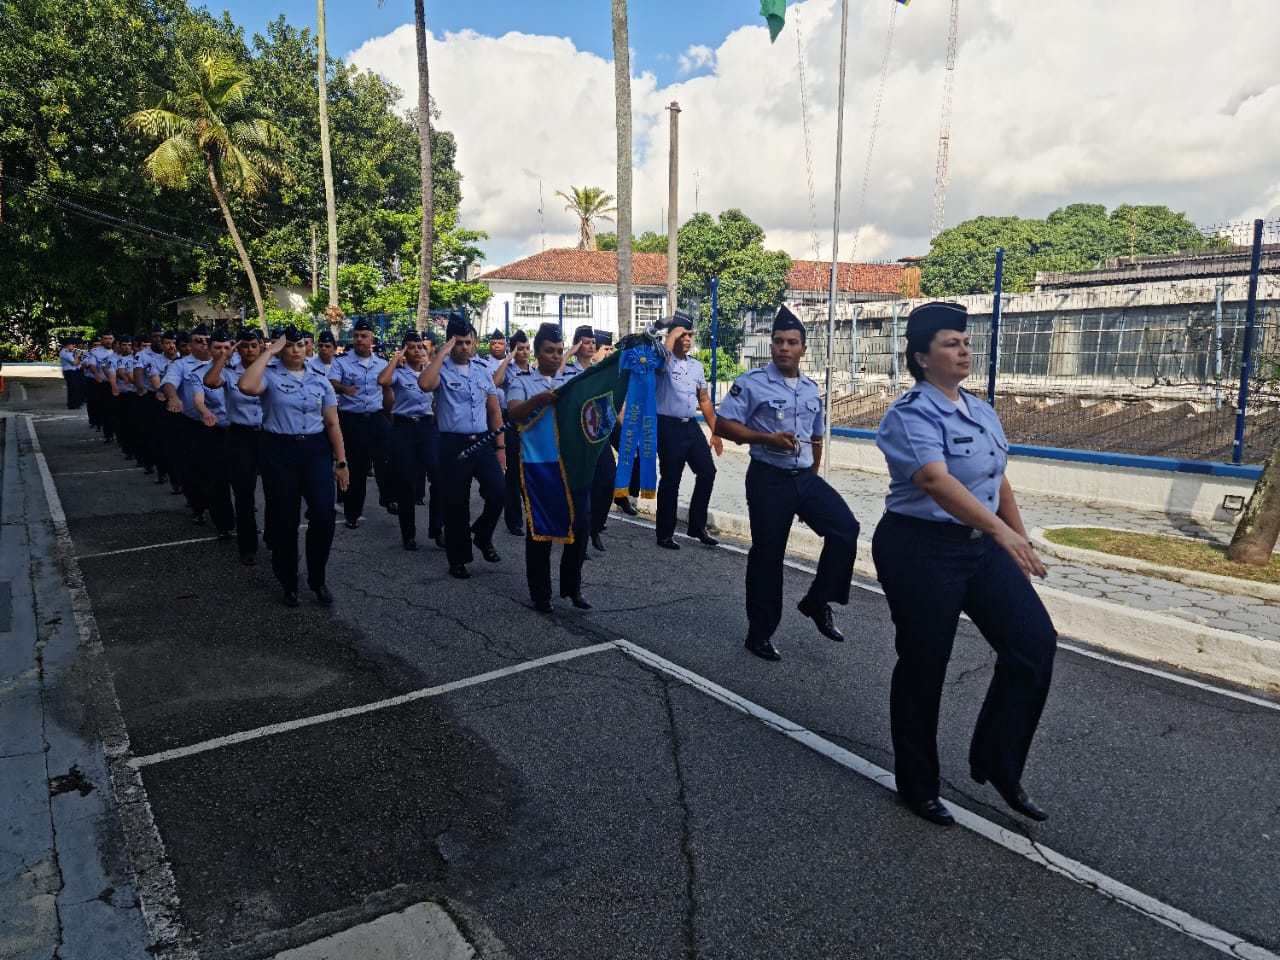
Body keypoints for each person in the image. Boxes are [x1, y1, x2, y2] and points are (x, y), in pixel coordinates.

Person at [872, 301, 1056, 828]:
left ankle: (998, 761)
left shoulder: (980, 409)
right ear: (921, 358)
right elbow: (935, 481)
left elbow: (997, 478)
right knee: (925, 664)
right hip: (920, 548)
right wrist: (1001, 532)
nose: (964, 350)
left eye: (966, 342)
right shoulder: (909, 414)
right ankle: (918, 784)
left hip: (980, 545)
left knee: (1034, 643)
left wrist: (1015, 538)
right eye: (951, 343)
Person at [713, 305, 861, 662]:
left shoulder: (811, 389)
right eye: (778, 341)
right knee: (768, 556)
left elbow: (816, 436)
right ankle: (759, 633)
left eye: (792, 342)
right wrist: (765, 439)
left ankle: (817, 600)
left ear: (803, 349)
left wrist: (811, 480)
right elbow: (722, 425)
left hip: (803, 479)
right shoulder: (751, 383)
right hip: (768, 480)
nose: (784, 348)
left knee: (845, 528)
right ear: (772, 345)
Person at [237, 325, 348, 606]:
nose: (296, 350)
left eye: (301, 345)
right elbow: (246, 386)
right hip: (279, 451)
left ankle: (317, 578)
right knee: (285, 520)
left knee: (323, 514)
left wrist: (342, 461)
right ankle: (288, 581)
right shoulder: (269, 376)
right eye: (289, 345)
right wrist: (268, 352)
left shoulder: (320, 379)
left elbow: (333, 423)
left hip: (315, 450)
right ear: (280, 348)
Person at [507, 324, 589, 611]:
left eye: (558, 351)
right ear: (538, 352)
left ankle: (572, 588)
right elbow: (514, 412)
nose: (555, 356)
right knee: (539, 530)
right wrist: (538, 400)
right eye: (549, 351)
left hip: (572, 463)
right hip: (539, 464)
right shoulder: (523, 380)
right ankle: (540, 594)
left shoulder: (575, 378)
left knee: (579, 527)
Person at [419, 314, 505, 579]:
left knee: (499, 492)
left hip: (481, 442)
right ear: (451, 343)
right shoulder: (440, 368)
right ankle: (458, 558)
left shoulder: (481, 370)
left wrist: (500, 447)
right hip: (452, 444)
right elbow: (424, 385)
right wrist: (442, 352)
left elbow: (493, 410)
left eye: (468, 342)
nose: (464, 348)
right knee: (457, 504)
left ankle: (481, 534)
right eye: (458, 343)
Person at [653, 312, 722, 550]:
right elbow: (661, 366)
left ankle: (697, 525)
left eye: (690, 335)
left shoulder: (696, 366)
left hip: (691, 426)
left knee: (707, 472)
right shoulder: (662, 361)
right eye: (683, 335)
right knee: (671, 481)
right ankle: (664, 533)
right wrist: (670, 338)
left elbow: (704, 400)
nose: (688, 339)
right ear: (673, 335)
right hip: (668, 427)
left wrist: (716, 431)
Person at [204, 328, 265, 564]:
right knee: (244, 494)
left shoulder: (270, 368)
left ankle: (274, 536)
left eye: (254, 345)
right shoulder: (229, 371)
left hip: (269, 435)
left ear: (261, 346)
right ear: (237, 348)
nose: (249, 350)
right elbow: (210, 381)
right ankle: (248, 546)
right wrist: (223, 357)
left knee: (277, 490)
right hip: (240, 435)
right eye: (244, 346)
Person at [377, 330, 440, 551]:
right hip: (403, 428)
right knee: (406, 482)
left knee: (438, 477)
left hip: (426, 427)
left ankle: (437, 528)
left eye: (420, 347)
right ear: (405, 350)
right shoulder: (399, 373)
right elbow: (383, 380)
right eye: (412, 347)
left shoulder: (430, 372)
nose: (417, 350)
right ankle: (408, 533)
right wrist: (396, 357)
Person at [329, 317, 393, 528]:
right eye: (356, 336)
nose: (359, 340)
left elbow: (387, 390)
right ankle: (352, 513)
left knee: (389, 456)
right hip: (352, 419)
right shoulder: (342, 361)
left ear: (371, 339)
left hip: (376, 416)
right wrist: (343, 389)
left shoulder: (382, 363)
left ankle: (388, 497)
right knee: (357, 468)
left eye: (364, 336)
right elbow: (332, 381)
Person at [497, 329, 531, 535]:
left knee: (529, 472)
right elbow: (495, 382)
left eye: (527, 348)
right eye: (520, 349)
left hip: (531, 424)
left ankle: (533, 516)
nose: (525, 352)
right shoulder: (507, 370)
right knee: (513, 475)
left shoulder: (534, 370)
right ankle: (514, 521)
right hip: (511, 423)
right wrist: (508, 357)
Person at [59, 337, 85, 409]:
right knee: (73, 389)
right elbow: (74, 363)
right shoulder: (65, 353)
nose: (74, 346)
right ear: (67, 345)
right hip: (69, 372)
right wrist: (78, 357)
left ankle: (77, 403)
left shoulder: (70, 352)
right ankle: (72, 404)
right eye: (72, 345)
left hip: (75, 371)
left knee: (77, 388)